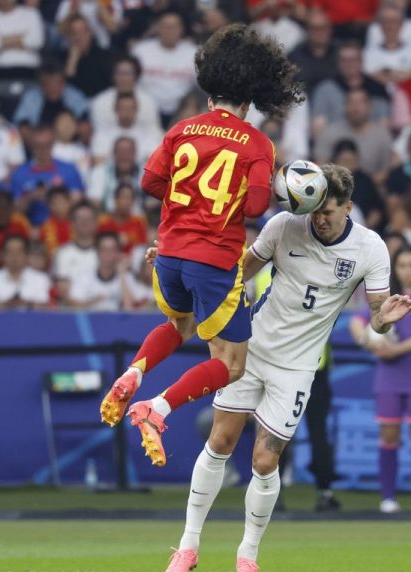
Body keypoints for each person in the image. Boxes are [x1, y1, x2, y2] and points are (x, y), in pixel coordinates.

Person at [159, 165, 411, 572]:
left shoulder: (370, 248)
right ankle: (187, 547)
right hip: (251, 349)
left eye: (328, 212)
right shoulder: (283, 226)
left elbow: (376, 318)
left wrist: (385, 320)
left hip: (297, 367)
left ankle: (248, 557)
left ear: (348, 207)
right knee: (220, 441)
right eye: (314, 210)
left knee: (265, 461)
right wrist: (176, 270)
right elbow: (235, 273)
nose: (319, 219)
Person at [98, 24, 303, 473]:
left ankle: (133, 372)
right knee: (232, 365)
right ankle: (157, 408)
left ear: (211, 96)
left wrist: (187, 203)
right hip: (213, 262)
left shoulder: (183, 129)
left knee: (181, 322)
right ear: (248, 102)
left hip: (169, 254)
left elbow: (150, 182)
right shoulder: (258, 143)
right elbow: (255, 205)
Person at [350, 245, 411, 514]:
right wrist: (368, 342)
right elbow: (357, 322)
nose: (408, 270)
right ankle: (388, 498)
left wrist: (394, 350)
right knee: (388, 436)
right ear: (394, 269)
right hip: (389, 378)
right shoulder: (386, 299)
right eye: (402, 265)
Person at [131, 12, 198, 125]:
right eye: (165, 26)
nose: (169, 31)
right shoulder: (141, 51)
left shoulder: (194, 52)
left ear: (181, 29)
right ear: (158, 28)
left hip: (181, 111)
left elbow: (202, 85)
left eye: (173, 27)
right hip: (145, 109)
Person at [10, 124, 84, 227]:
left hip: (64, 226)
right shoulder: (20, 174)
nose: (43, 150)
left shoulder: (69, 170)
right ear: (32, 146)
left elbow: (78, 204)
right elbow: (14, 210)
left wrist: (56, 198)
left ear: (52, 144)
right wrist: (31, 197)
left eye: (47, 145)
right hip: (31, 227)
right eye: (38, 146)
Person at [0, 234, 50, 309]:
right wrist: (12, 304)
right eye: (10, 252)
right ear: (3, 254)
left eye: (19, 252)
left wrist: (20, 304)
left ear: (26, 254)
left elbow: (44, 306)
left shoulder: (41, 278)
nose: (15, 256)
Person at [67, 232, 134, 310]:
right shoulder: (84, 278)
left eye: (112, 249)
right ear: (97, 252)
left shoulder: (127, 277)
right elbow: (72, 307)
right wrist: (93, 302)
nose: (108, 253)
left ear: (118, 252)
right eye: (104, 249)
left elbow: (129, 309)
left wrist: (121, 273)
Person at [53, 199, 98, 284]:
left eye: (88, 219)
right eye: (80, 219)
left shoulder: (105, 253)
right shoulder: (62, 253)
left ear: (95, 223)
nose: (84, 222)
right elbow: (61, 288)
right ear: (72, 223)